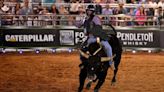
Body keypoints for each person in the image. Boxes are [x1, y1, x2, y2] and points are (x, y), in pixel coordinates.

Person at [75, 4, 115, 70]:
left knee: (108, 47)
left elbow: (98, 28)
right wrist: (74, 22)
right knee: (82, 49)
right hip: (90, 38)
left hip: (98, 37)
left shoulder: (95, 18)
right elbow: (79, 25)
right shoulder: (85, 19)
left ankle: (111, 63)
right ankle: (83, 63)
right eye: (88, 11)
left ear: (93, 12)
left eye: (90, 11)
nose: (89, 12)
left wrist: (98, 37)